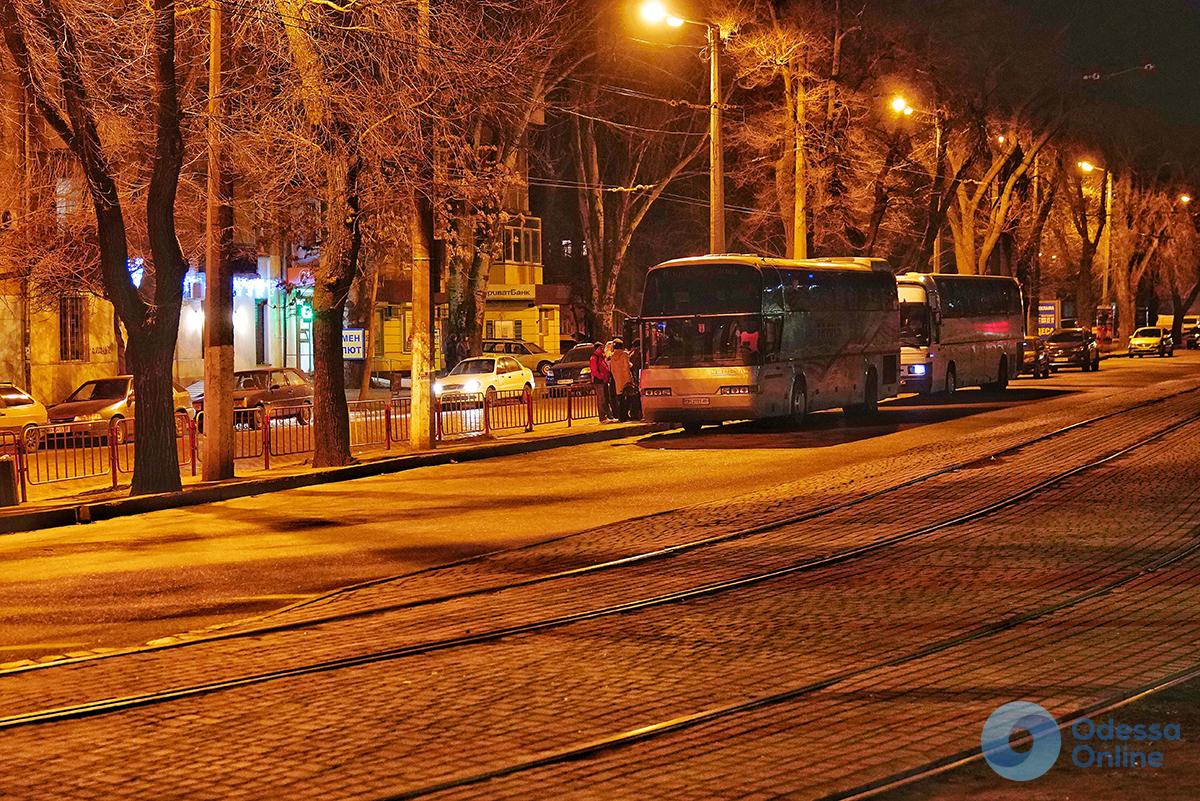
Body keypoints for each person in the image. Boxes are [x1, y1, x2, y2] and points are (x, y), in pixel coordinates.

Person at [608, 338, 634, 422]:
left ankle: (620, 416)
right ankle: (625, 415)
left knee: (619, 399)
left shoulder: (612, 356)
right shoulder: (624, 355)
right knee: (626, 399)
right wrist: (629, 380)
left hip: (617, 380)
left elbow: (611, 368)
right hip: (625, 379)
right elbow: (626, 368)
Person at [589, 342, 613, 422]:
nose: (602, 349)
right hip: (599, 381)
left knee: (606, 398)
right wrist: (602, 376)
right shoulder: (594, 357)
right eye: (601, 348)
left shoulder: (601, 357)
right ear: (597, 349)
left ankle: (608, 415)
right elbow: (594, 370)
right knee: (601, 399)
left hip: (604, 380)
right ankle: (603, 417)